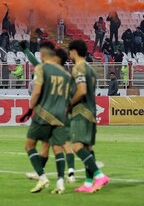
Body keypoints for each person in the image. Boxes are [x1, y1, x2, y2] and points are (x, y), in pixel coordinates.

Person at [19, 44, 73, 194]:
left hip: (44, 113)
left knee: (30, 145)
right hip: (60, 115)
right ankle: (60, 181)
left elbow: (36, 90)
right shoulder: (66, 75)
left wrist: (30, 109)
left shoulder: (45, 69)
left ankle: (42, 176)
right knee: (52, 147)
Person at [68, 40, 109, 193]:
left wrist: (69, 104)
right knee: (88, 148)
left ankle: (99, 175)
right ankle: (88, 183)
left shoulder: (78, 68)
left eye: (69, 51)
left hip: (80, 112)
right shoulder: (91, 69)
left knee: (77, 146)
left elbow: (82, 90)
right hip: (91, 111)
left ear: (73, 51)